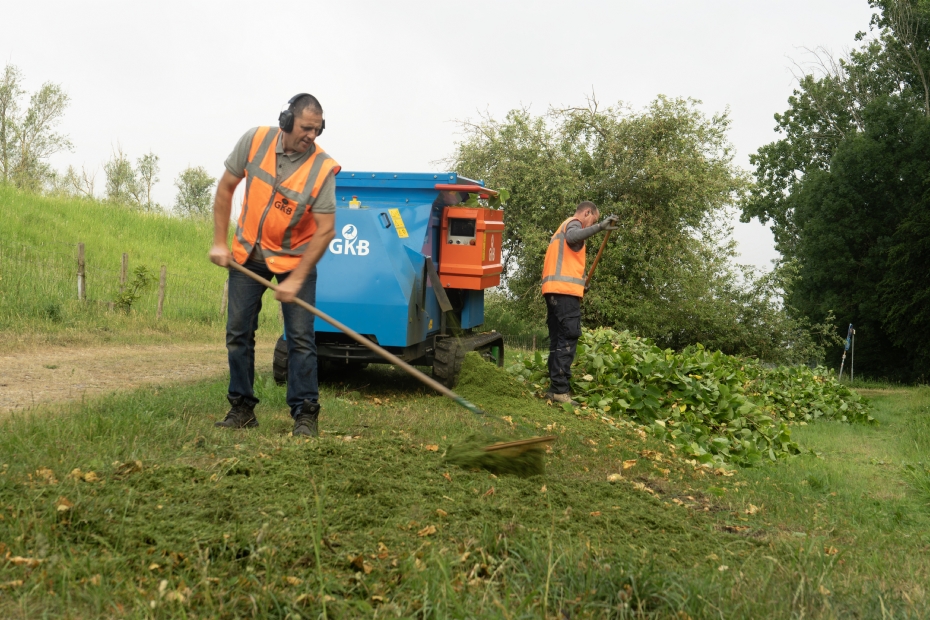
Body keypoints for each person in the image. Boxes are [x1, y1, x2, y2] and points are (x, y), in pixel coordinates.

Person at [209, 93, 339, 437]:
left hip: (296, 258)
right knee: (238, 332)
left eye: (318, 129)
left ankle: (305, 414)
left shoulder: (322, 169)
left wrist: (295, 279)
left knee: (300, 339)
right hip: (249, 253)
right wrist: (220, 242)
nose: (311, 135)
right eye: (306, 128)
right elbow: (225, 189)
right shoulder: (255, 140)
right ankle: (241, 409)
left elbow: (326, 231)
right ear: (286, 122)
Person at [541, 201, 617, 404]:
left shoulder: (562, 227)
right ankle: (560, 390)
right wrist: (600, 227)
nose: (593, 223)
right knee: (568, 338)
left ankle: (554, 388)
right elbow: (573, 236)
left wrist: (581, 283)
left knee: (558, 341)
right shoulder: (573, 224)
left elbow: (566, 264)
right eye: (594, 219)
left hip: (554, 291)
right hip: (564, 293)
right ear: (587, 212)